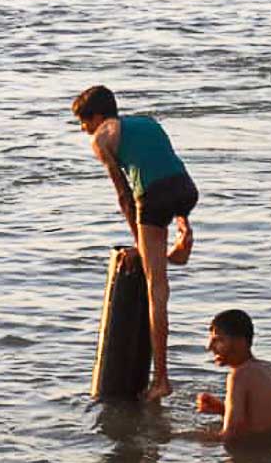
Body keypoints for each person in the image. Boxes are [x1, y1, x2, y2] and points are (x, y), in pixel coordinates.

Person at [73, 85, 197, 402]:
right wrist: (182, 220)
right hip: (185, 190)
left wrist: (137, 243)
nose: (82, 128)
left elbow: (125, 195)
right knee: (156, 257)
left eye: (83, 121)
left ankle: (161, 380)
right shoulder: (147, 122)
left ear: (98, 116)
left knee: (157, 288)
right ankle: (177, 246)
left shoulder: (101, 138)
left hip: (152, 197)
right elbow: (167, 164)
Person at [195, 309, 271, 440]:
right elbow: (260, 420)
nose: (210, 347)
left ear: (240, 342)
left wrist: (180, 437)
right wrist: (222, 409)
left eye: (218, 340)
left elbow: (231, 435)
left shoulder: (239, 376)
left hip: (251, 454)